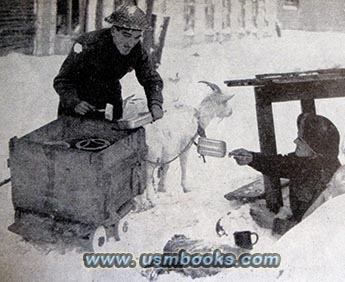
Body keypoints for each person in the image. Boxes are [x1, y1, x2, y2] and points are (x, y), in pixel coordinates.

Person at [53, 5, 164, 121]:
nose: (130, 43)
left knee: (113, 138)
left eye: (136, 37)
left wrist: (155, 103)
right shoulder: (86, 44)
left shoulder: (137, 50)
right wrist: (74, 102)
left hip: (109, 101)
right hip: (78, 103)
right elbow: (62, 80)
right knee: (76, 138)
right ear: (114, 31)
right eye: (126, 35)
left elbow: (151, 79)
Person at [230, 113, 341, 227]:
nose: (295, 141)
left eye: (301, 140)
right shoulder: (308, 161)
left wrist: (274, 224)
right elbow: (280, 164)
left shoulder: (329, 183)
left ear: (316, 149)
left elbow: (315, 230)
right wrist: (252, 158)